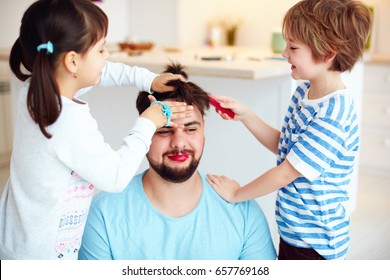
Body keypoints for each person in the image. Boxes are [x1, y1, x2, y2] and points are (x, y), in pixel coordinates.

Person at [0, 0, 193, 260]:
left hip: (18, 238)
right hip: (42, 257)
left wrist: (148, 79)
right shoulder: (65, 120)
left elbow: (104, 72)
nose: (107, 56)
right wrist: (149, 122)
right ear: (72, 62)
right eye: (102, 50)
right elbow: (115, 176)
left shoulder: (37, 89)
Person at [207, 0, 371, 260]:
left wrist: (237, 193)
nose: (285, 53)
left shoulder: (333, 114)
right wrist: (246, 115)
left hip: (315, 243)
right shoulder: (305, 93)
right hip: (294, 231)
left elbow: (285, 174)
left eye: (293, 47)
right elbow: (287, 148)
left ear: (328, 54)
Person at [78, 63, 277, 260]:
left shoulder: (243, 212)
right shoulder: (103, 214)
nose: (179, 143)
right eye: (165, 131)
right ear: (144, 133)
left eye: (191, 130)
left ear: (203, 131)